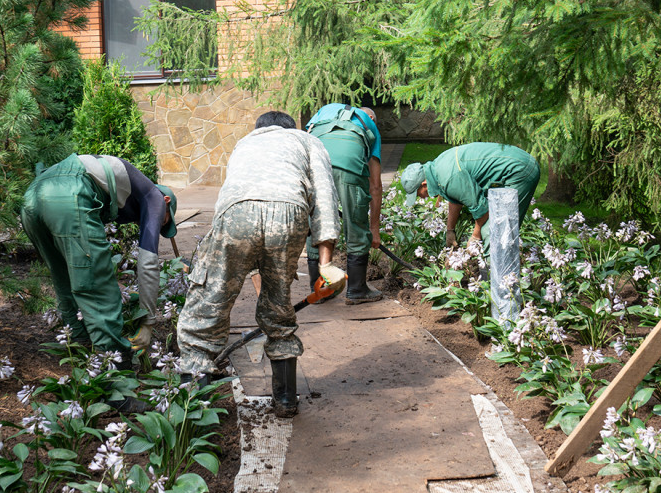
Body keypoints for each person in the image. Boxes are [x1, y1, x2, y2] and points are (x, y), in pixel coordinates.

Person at [176, 111, 344, 416]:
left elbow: (229, 197)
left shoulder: (244, 142)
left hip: (236, 214)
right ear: (291, 128)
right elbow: (325, 200)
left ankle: (194, 404)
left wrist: (223, 261)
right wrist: (325, 264)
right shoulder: (307, 140)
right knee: (278, 303)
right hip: (289, 211)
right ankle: (285, 399)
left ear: (259, 129)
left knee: (210, 302)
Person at [18, 153, 178, 358]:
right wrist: (148, 323)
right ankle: (113, 364)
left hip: (32, 196)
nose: (158, 224)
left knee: (63, 276)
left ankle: (79, 346)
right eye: (164, 221)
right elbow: (147, 263)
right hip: (70, 192)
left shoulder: (121, 192)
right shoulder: (154, 197)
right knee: (99, 288)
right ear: (166, 201)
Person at [303, 103, 385, 304]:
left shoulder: (324, 111)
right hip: (349, 164)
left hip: (315, 162)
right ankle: (357, 290)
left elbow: (306, 138)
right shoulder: (369, 125)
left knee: (316, 224)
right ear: (371, 119)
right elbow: (375, 186)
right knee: (355, 224)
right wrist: (374, 229)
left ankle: (321, 289)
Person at [400, 143, 540, 256]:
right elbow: (456, 198)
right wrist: (450, 230)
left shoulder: (449, 177)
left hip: (520, 171)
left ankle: (498, 285)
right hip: (515, 163)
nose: (421, 198)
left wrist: (475, 237)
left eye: (418, 193)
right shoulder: (438, 168)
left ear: (424, 184)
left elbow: (482, 210)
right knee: (493, 231)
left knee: (494, 233)